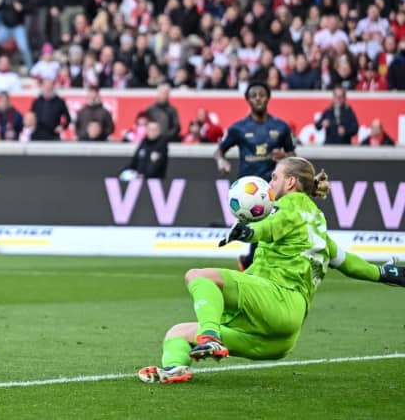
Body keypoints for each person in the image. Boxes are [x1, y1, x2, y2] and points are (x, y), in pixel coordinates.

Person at [137, 156, 405, 385]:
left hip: (275, 301)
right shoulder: (316, 225)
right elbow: (345, 261)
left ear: (290, 182)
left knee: (198, 276)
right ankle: (176, 369)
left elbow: (272, 227)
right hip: (281, 338)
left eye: (275, 177)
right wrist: (382, 273)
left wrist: (250, 231)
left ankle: (211, 336)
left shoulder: (290, 206)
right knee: (178, 333)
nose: (271, 184)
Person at [214, 82, 296, 270]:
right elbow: (219, 151)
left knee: (270, 229)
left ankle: (250, 263)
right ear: (248, 100)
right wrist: (222, 161)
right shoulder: (238, 128)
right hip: (248, 190)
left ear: (268, 97)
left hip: (274, 187)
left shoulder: (281, 127)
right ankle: (252, 264)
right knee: (260, 229)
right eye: (254, 95)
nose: (258, 98)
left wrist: (283, 156)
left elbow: (293, 155)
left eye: (261, 94)